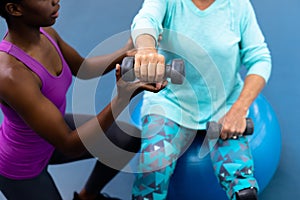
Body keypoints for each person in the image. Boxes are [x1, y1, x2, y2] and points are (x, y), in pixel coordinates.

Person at [0, 0, 167, 200]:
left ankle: (87, 196)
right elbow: (70, 146)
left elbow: (83, 68)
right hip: (22, 166)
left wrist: (127, 50)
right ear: (14, 9)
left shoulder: (45, 33)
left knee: (125, 139)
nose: (55, 1)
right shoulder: (10, 75)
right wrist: (122, 98)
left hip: (53, 136)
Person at [130, 0, 271, 199]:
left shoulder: (238, 5)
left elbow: (260, 59)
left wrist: (238, 110)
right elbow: (146, 19)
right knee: (152, 171)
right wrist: (146, 50)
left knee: (244, 190)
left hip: (223, 105)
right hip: (171, 103)